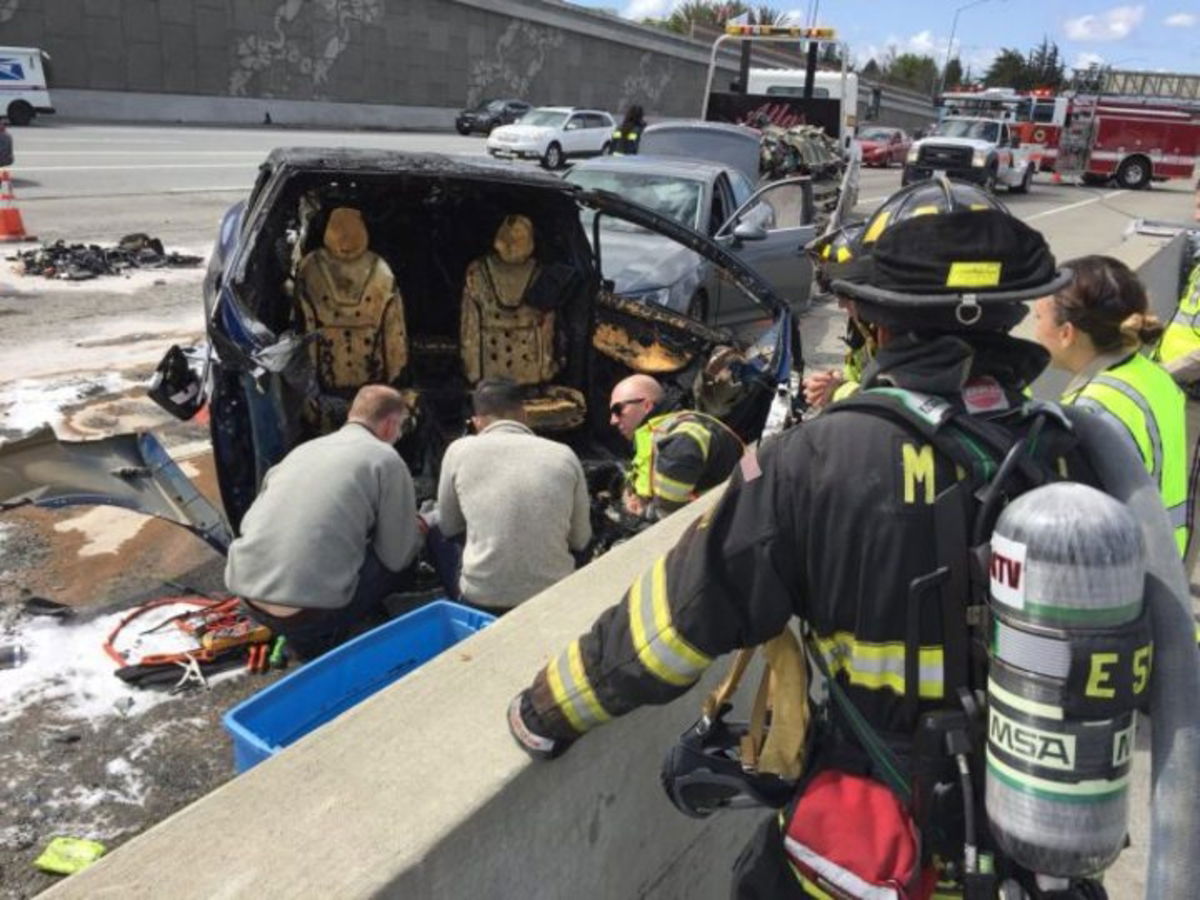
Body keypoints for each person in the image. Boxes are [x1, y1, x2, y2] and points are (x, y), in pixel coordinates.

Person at [508, 178, 1114, 896]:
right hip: (1037, 849)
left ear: (872, 321)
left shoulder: (818, 461)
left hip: (882, 850)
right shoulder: (1069, 451)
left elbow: (670, 628)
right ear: (1012, 314)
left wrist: (543, 712)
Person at [226, 385, 421, 660]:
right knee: (404, 559)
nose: (399, 434)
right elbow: (396, 556)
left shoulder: (302, 451)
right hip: (308, 615)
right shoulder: (385, 458)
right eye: (400, 426)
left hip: (247, 596)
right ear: (390, 424)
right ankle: (342, 634)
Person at [1033, 255, 1188, 554]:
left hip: (1127, 578)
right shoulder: (1151, 374)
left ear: (1067, 334)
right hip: (1164, 558)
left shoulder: (1092, 411)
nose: (1036, 330)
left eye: (1039, 318)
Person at [435, 377, 592, 613]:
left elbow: (449, 527)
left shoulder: (458, 451)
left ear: (477, 422)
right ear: (525, 415)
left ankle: (461, 604)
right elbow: (581, 539)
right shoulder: (564, 455)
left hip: (483, 600)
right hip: (553, 595)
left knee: (435, 531)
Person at [607, 373, 743, 520]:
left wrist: (641, 511)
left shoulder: (680, 441)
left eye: (617, 410)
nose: (612, 420)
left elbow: (670, 517)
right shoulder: (674, 427)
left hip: (735, 517)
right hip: (742, 501)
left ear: (646, 406)